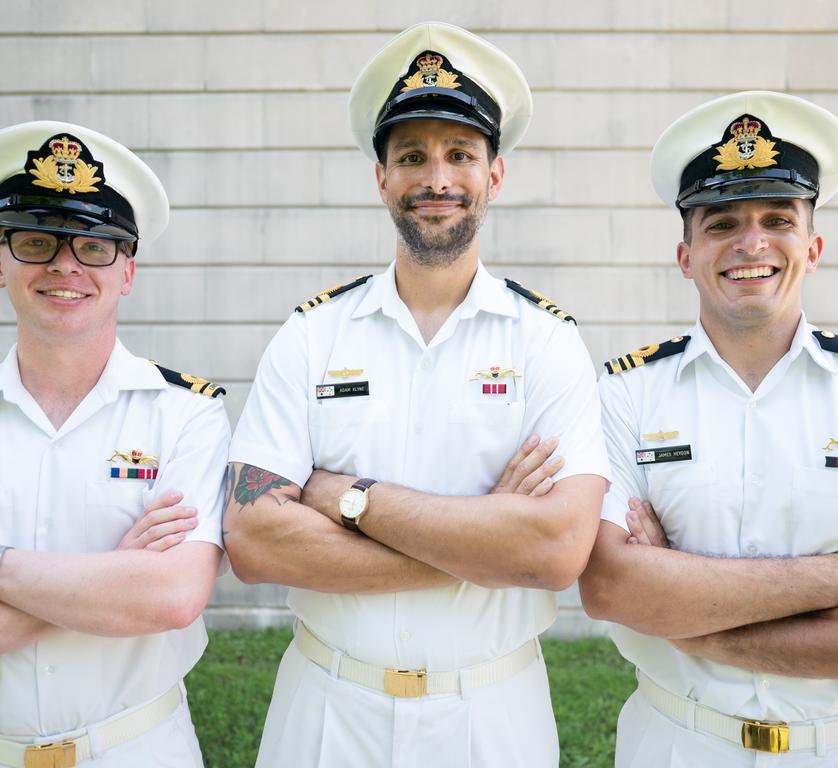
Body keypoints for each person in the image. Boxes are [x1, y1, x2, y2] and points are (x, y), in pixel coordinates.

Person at [224, 21, 609, 768]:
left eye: (460, 153)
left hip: (491, 717)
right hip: (327, 712)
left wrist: (345, 499)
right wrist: (487, 539)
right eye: (412, 156)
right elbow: (253, 540)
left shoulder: (547, 343)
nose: (437, 178)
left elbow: (558, 549)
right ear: (382, 178)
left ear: (495, 175)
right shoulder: (312, 337)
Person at [0, 121, 230, 767]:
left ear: (127, 272)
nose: (65, 265)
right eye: (36, 242)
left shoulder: (185, 416)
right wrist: (109, 589)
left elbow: (169, 598)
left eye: (95, 246)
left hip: (137, 750)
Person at [580, 91, 838, 765]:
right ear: (685, 254)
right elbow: (610, 587)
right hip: (678, 743)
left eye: (776, 218)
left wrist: (696, 626)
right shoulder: (623, 395)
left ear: (812, 247)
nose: (751, 243)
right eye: (722, 223)